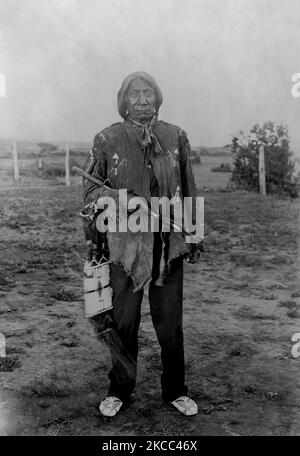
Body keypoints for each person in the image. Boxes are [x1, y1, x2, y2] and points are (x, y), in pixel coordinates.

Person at [81, 71, 202, 417]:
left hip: (168, 245)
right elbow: (89, 192)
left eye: (148, 93)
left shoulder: (176, 137)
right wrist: (122, 199)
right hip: (124, 246)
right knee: (124, 322)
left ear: (158, 97)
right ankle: (119, 389)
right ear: (123, 100)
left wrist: (192, 234)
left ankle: (175, 390)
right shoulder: (106, 139)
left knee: (170, 324)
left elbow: (189, 188)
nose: (143, 99)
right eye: (134, 94)